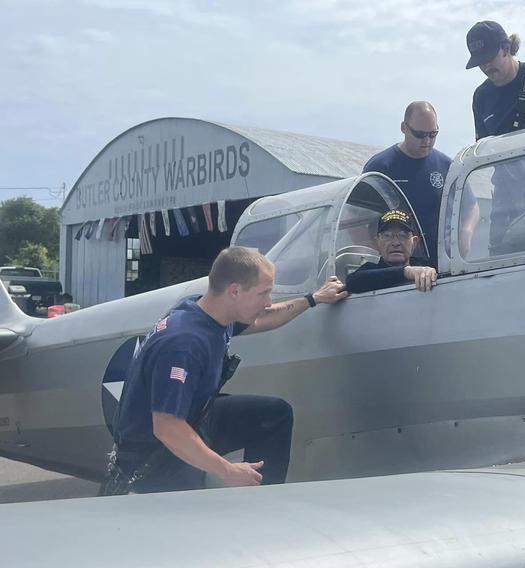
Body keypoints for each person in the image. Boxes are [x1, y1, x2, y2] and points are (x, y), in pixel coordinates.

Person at [104, 246, 348, 493]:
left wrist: (313, 299)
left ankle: (260, 503)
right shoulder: (184, 344)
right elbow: (166, 426)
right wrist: (227, 470)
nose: (268, 302)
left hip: (194, 416)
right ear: (235, 291)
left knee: (273, 415)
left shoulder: (210, 312)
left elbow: (264, 318)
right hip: (155, 452)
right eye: (264, 293)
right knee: (188, 518)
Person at [362, 101, 479, 264]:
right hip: (398, 265)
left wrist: (465, 233)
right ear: (404, 128)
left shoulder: (447, 166)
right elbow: (359, 217)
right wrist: (377, 254)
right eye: (420, 134)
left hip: (443, 261)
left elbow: (471, 206)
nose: (427, 141)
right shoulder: (380, 167)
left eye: (433, 134)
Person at [345, 210, 437, 294]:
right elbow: (353, 282)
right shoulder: (369, 270)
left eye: (403, 235)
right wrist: (406, 272)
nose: (396, 243)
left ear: (414, 242)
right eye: (387, 236)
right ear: (377, 243)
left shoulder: (427, 264)